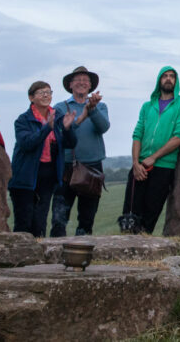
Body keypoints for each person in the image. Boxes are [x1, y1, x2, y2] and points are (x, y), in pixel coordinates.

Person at [121, 66, 180, 235]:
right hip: (140, 166)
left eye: (172, 76)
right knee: (129, 215)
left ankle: (142, 252)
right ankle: (125, 251)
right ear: (159, 80)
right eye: (164, 76)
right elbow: (137, 135)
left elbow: (179, 137)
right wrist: (136, 164)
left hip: (164, 167)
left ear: (176, 81)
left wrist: (154, 157)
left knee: (150, 213)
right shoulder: (147, 106)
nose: (168, 79)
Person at [8, 81, 76, 237]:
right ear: (31, 98)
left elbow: (71, 144)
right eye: (41, 92)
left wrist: (67, 129)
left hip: (48, 177)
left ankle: (39, 258)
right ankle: (22, 258)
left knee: (40, 222)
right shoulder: (23, 120)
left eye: (48, 92)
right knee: (24, 223)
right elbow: (27, 143)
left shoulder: (57, 117)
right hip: (25, 178)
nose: (46, 95)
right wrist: (47, 128)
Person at [50, 65, 109, 237]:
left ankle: (82, 253)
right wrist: (80, 117)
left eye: (86, 80)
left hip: (92, 167)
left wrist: (92, 109)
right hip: (66, 166)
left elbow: (104, 127)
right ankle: (56, 250)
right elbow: (62, 132)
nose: (82, 83)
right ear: (70, 85)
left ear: (91, 86)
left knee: (87, 217)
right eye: (78, 80)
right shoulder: (61, 107)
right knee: (60, 216)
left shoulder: (101, 106)